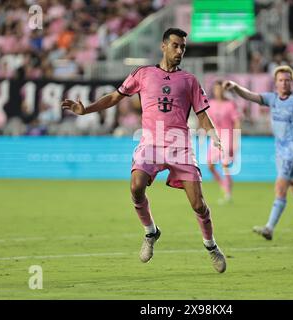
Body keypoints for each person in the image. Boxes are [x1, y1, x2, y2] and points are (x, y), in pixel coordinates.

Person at [61, 28, 226, 273]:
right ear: (163, 46)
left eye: (182, 47)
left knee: (198, 204)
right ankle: (151, 232)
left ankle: (211, 246)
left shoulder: (190, 80)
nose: (179, 50)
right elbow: (115, 97)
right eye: (175, 45)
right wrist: (87, 110)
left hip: (180, 146)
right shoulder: (143, 73)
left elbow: (202, 114)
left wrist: (214, 136)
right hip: (150, 143)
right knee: (136, 186)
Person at [223, 65, 293, 241]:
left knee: (280, 187)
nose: (284, 83)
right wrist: (235, 87)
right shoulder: (272, 99)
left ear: (292, 82)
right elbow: (250, 96)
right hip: (280, 149)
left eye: (287, 80)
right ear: (275, 83)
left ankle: (269, 228)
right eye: (281, 80)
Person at [207, 80, 241, 204]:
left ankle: (228, 193)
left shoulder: (230, 104)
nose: (218, 91)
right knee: (210, 165)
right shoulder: (210, 103)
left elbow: (237, 121)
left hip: (227, 135)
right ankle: (224, 184)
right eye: (216, 89)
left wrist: (235, 139)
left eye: (220, 89)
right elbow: (207, 120)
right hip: (215, 137)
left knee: (225, 165)